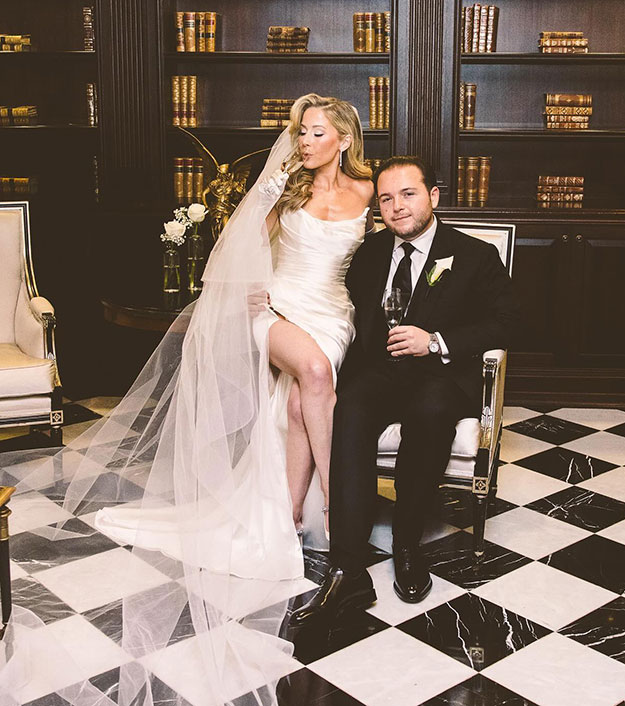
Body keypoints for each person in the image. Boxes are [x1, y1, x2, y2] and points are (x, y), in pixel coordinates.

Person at [0, 94, 373, 706]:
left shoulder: (367, 193)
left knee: (305, 396)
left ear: (343, 140)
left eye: (315, 133)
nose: (304, 141)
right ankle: (339, 511)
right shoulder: (287, 193)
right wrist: (256, 288)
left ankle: (290, 513)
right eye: (299, 132)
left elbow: (385, 259)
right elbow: (235, 245)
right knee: (312, 373)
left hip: (333, 315)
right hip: (277, 309)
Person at [290, 156, 519, 627]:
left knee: (430, 411)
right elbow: (338, 308)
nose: (397, 207)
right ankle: (348, 567)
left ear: (433, 197)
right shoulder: (370, 253)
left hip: (441, 374)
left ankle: (407, 545)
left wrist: (436, 342)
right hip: (381, 371)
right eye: (387, 199)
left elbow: (508, 322)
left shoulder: (474, 255)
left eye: (408, 194)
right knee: (349, 408)